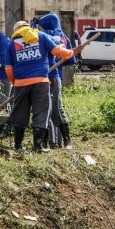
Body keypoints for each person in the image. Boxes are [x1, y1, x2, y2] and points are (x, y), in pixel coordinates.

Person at [4, 21, 81, 152]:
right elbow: (59, 52)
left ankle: (18, 146)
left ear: (16, 31)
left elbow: (9, 69)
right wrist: (72, 52)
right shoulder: (41, 36)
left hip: (21, 83)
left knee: (20, 113)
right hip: (41, 81)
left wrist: (16, 82)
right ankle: (38, 146)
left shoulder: (12, 44)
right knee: (41, 112)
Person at [36, 13, 76, 149]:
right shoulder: (64, 37)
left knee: (44, 110)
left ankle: (51, 143)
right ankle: (63, 142)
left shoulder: (40, 36)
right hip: (55, 76)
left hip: (43, 77)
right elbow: (70, 60)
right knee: (57, 109)